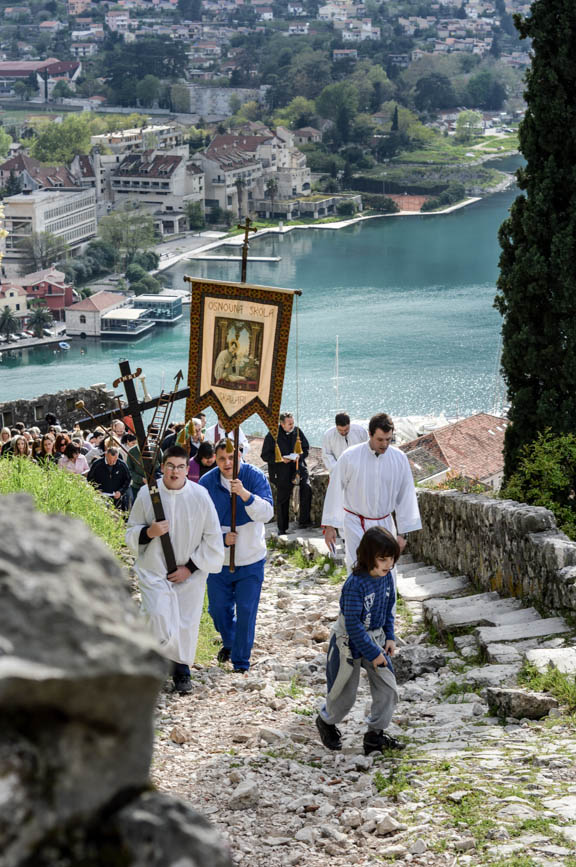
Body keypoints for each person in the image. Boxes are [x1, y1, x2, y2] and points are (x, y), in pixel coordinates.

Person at [125, 446, 224, 694]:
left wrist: (189, 568)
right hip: (155, 569)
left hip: (189, 574)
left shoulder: (200, 496)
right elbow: (130, 531)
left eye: (180, 467)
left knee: (185, 621)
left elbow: (212, 538)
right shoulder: (148, 495)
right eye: (170, 466)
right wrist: (149, 532)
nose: (175, 471)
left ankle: (181, 670)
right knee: (157, 614)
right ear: (162, 467)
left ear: (186, 469)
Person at [316, 527, 405, 755]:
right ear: (368, 557)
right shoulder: (355, 585)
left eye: (391, 558)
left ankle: (375, 736)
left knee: (388, 688)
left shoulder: (386, 579)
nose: (388, 564)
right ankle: (326, 720)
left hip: (375, 638)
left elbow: (388, 609)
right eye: (382, 559)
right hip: (348, 641)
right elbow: (354, 625)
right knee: (344, 693)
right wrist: (373, 653)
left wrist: (390, 637)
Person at [199, 439, 273, 672]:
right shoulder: (207, 483)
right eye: (222, 458)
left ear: (239, 454)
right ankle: (230, 642)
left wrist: (244, 494)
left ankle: (241, 662)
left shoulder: (255, 477)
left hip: (250, 559)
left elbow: (267, 513)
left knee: (247, 611)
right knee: (217, 609)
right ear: (215, 459)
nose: (227, 462)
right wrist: (221, 540)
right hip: (219, 561)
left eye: (231, 457)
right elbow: (200, 525)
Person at [322, 412, 421, 571]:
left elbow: (406, 495)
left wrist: (403, 534)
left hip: (385, 524)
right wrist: (330, 526)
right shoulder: (350, 457)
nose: (384, 444)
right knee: (358, 569)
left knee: (386, 572)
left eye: (388, 440)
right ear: (370, 434)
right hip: (356, 523)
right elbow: (335, 489)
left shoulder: (399, 458)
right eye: (380, 439)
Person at [261, 412, 312, 535]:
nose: (292, 426)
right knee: (283, 498)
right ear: (282, 424)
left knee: (307, 489)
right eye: (289, 424)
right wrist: (280, 459)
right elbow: (265, 455)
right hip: (281, 470)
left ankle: (304, 521)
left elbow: (305, 448)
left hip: (297, 467)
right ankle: (282, 528)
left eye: (293, 423)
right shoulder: (272, 435)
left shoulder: (297, 432)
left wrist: (299, 456)